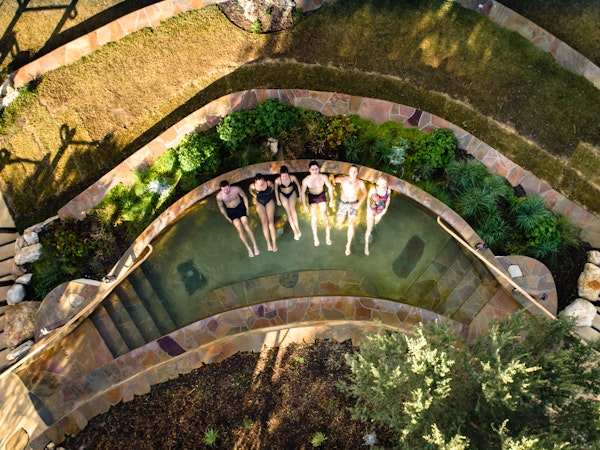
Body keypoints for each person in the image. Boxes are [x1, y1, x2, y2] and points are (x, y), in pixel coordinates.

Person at [216, 180, 260, 258]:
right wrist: (226, 217)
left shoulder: (236, 189)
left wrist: (246, 208)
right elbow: (221, 207)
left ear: (229, 186)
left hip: (240, 207)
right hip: (231, 211)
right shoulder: (219, 196)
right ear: (221, 189)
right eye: (224, 190)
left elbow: (244, 196)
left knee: (246, 225)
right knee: (239, 228)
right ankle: (248, 248)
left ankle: (255, 246)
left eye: (227, 189)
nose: (226, 191)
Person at [334, 165, 367, 255]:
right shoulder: (343, 179)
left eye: (355, 171)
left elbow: (365, 193)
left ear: (357, 173)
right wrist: (332, 187)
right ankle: (341, 222)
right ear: (348, 172)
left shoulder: (360, 183)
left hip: (353, 204)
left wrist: (359, 204)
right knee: (339, 222)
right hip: (342, 203)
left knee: (351, 224)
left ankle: (348, 245)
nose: (353, 173)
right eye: (351, 171)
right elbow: (334, 180)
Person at [301, 160, 334, 247]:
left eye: (316, 169)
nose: (315, 171)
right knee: (314, 216)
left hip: (321, 195)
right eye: (313, 169)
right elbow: (302, 192)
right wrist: (304, 205)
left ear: (319, 169)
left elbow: (330, 187)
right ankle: (315, 237)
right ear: (309, 170)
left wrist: (331, 200)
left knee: (324, 215)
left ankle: (328, 237)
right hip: (312, 196)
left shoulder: (323, 177)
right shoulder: (306, 180)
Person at [249, 173, 278, 252]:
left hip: (269, 200)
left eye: (262, 181)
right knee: (264, 222)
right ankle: (268, 243)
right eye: (259, 182)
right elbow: (250, 191)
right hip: (259, 202)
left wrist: (270, 193)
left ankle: (274, 243)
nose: (261, 183)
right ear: (256, 181)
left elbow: (273, 187)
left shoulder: (268, 183)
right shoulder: (253, 186)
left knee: (271, 222)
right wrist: (254, 196)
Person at [364, 177, 391, 256]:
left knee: (373, 225)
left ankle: (371, 228)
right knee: (369, 228)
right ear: (378, 182)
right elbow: (368, 197)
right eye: (382, 183)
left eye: (385, 183)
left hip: (380, 211)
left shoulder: (388, 191)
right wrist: (368, 207)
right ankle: (366, 246)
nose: (384, 185)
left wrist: (385, 209)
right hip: (371, 210)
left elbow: (388, 200)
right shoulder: (373, 189)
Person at [274, 165, 302, 240]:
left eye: (286, 175)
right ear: (280, 175)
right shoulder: (277, 180)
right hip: (283, 195)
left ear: (288, 173)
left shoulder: (292, 178)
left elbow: (298, 186)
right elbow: (276, 190)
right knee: (288, 212)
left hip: (291, 193)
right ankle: (295, 231)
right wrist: (277, 200)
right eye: (283, 176)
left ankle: (298, 229)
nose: (285, 177)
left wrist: (300, 196)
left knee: (292, 209)